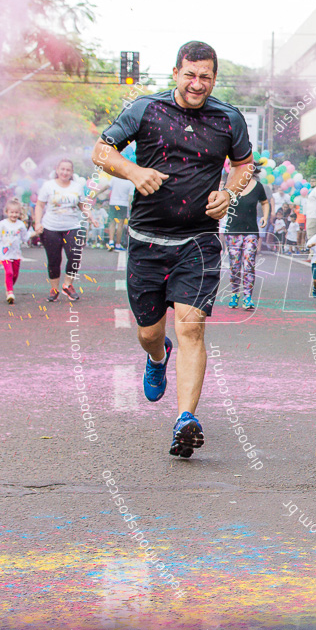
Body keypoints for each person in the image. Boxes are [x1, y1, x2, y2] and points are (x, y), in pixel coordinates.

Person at [92, 40, 254, 459]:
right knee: (150, 332)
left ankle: (185, 419)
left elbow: (244, 165)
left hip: (198, 242)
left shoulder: (228, 118)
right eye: (190, 75)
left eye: (205, 77)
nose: (197, 84)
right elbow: (102, 150)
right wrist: (131, 170)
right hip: (147, 241)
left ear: (215, 78)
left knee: (191, 327)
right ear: (176, 73)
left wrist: (228, 193)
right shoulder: (145, 109)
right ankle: (156, 354)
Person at [35, 159, 99, 302]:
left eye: (68, 170)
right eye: (62, 169)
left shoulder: (76, 187)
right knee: (54, 260)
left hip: (72, 226)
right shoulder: (48, 186)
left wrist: (91, 217)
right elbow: (39, 205)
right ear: (57, 170)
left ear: (72, 172)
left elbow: (83, 205)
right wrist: (37, 223)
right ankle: (54, 289)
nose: (65, 172)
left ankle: (67, 285)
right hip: (51, 228)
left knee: (75, 256)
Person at [223, 166, 270, 310]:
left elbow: (265, 202)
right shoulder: (230, 186)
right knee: (235, 266)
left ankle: (248, 297)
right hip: (233, 232)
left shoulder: (258, 187)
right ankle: (235, 293)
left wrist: (265, 217)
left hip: (251, 232)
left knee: (249, 264)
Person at [0, 200, 29, 303]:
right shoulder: (2, 224)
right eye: (11, 212)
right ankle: (10, 291)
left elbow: (25, 238)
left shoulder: (20, 225)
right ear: (6, 212)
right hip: (4, 254)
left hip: (15, 254)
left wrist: (35, 233)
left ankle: (9, 287)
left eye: (16, 212)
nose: (14, 215)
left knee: (15, 274)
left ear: (20, 213)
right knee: (9, 272)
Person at [106, 175, 134, 250]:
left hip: (113, 203)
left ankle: (111, 242)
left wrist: (96, 194)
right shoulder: (130, 182)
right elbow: (130, 198)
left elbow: (107, 186)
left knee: (112, 222)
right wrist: (130, 209)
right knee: (120, 225)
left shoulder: (115, 178)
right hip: (123, 204)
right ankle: (118, 244)